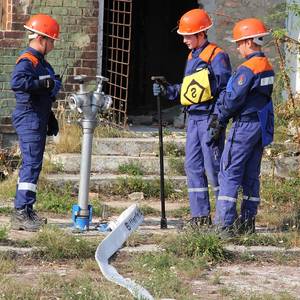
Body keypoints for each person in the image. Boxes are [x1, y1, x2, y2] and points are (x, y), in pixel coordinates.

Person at [153, 9, 232, 227]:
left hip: (209, 119)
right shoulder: (192, 56)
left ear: (201, 33)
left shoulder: (217, 56)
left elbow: (225, 90)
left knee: (213, 167)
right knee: (193, 166)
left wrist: (219, 118)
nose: (185, 40)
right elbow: (190, 89)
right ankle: (200, 216)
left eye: (188, 36)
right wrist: (168, 90)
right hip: (194, 120)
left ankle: (224, 218)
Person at [213, 18, 275, 235]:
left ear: (249, 42)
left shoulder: (247, 68)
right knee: (251, 175)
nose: (237, 47)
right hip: (261, 125)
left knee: (229, 171)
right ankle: (248, 223)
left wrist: (219, 119)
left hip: (244, 127)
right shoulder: (267, 65)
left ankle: (224, 226)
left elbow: (233, 99)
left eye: (239, 42)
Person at [10, 14, 62, 231]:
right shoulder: (28, 60)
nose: (53, 45)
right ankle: (21, 212)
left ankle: (27, 209)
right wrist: (43, 82)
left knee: (34, 165)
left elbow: (49, 88)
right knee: (31, 164)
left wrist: (49, 117)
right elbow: (18, 82)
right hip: (28, 117)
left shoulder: (43, 63)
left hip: (37, 117)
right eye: (52, 41)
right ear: (42, 39)